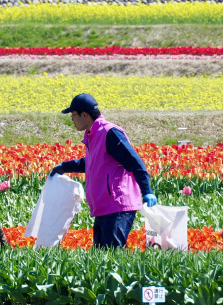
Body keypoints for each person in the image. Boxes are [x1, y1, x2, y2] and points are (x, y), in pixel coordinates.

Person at [50, 93, 157, 249]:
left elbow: (135, 162)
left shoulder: (110, 133)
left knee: (112, 256)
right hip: (104, 207)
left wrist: (147, 190)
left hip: (117, 206)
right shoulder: (93, 134)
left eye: (73, 115)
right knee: (102, 258)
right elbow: (93, 163)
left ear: (84, 115)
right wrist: (65, 167)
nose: (72, 119)